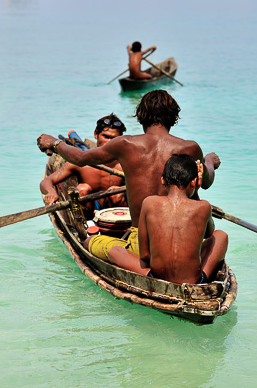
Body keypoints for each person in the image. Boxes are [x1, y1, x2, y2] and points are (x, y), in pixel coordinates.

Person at [37, 89, 221, 262]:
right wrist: (209, 162)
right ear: (174, 118)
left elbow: (80, 157)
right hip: (184, 238)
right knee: (216, 240)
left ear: (141, 116)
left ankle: (137, 266)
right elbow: (205, 182)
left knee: (89, 243)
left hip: (141, 245)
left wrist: (54, 143)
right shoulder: (190, 148)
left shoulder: (125, 144)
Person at [108, 154, 228, 284]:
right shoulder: (204, 206)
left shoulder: (149, 203)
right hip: (194, 281)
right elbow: (209, 235)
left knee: (115, 251)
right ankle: (204, 276)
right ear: (193, 182)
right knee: (221, 235)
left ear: (162, 180)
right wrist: (196, 192)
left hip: (156, 277)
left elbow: (144, 256)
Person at [40, 113, 127, 218]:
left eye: (114, 139)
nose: (109, 142)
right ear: (96, 134)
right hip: (88, 213)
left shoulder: (124, 165)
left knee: (114, 191)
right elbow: (47, 181)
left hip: (116, 214)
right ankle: (88, 226)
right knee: (82, 189)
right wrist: (51, 192)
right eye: (106, 136)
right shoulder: (81, 161)